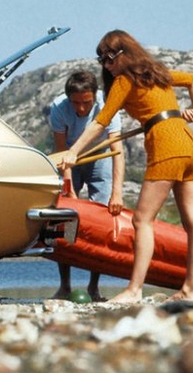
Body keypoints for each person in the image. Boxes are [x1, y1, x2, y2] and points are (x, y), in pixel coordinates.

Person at [59, 30, 193, 303]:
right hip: (189, 145)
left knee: (142, 220)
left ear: (124, 54)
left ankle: (134, 290)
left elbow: (100, 122)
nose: (106, 65)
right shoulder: (156, 73)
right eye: (102, 60)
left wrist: (73, 151)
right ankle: (190, 291)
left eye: (110, 58)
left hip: (167, 147)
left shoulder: (125, 80)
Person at [49, 70, 125, 302]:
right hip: (69, 158)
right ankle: (65, 286)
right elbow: (62, 151)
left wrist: (117, 193)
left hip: (99, 155)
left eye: (86, 103)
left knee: (100, 221)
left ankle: (93, 287)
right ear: (68, 99)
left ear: (95, 96)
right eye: (76, 103)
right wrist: (69, 188)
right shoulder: (58, 108)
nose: (81, 109)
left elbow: (117, 151)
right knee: (64, 219)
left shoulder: (107, 105)